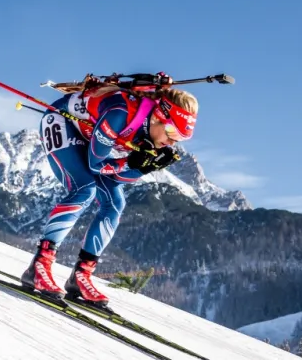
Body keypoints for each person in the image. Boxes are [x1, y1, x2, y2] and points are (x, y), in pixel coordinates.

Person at [20, 74, 199, 308]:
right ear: (158, 118)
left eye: (181, 138)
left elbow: (117, 178)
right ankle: (39, 266)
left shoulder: (152, 133)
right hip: (62, 122)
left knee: (114, 203)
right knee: (85, 188)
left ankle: (80, 276)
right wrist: (131, 162)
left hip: (89, 136)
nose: (172, 142)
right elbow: (96, 165)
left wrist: (142, 168)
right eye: (173, 133)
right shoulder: (120, 113)